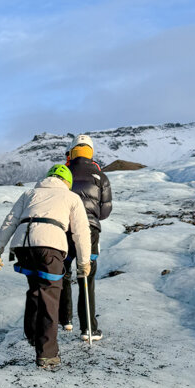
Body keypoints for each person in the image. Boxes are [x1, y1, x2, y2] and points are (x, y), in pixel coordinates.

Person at [0, 164, 91, 370]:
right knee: (50, 295)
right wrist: (84, 262)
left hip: (24, 245)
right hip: (50, 245)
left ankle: (33, 335)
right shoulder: (71, 198)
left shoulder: (29, 193)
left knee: (36, 287)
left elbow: (10, 221)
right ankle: (47, 354)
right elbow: (80, 232)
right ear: (67, 182)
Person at [59, 136, 113, 340]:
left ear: (71, 152)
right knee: (86, 276)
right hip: (90, 231)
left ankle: (65, 320)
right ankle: (89, 328)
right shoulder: (101, 176)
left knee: (63, 270)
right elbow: (105, 211)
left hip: (64, 229)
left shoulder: (64, 173)